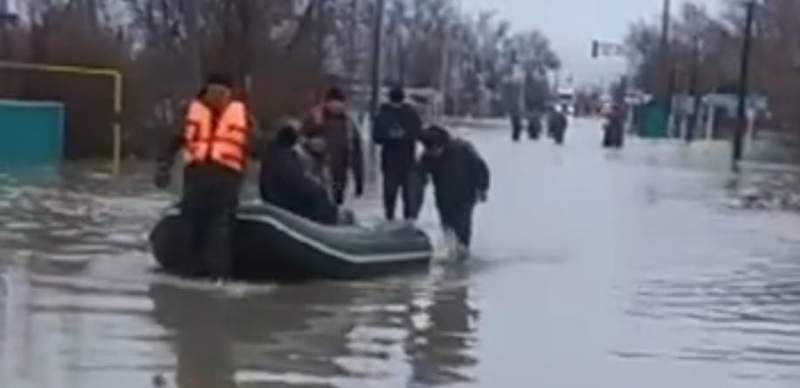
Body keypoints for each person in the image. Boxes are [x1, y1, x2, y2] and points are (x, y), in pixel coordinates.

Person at [154, 73, 251, 280]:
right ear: (206, 91)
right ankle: (189, 272)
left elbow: (257, 143)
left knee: (220, 229)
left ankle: (217, 275)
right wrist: (164, 167)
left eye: (223, 92)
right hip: (198, 176)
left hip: (227, 178)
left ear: (230, 94)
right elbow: (172, 141)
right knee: (192, 225)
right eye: (214, 92)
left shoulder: (243, 114)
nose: (218, 97)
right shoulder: (191, 112)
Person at [417, 125, 490, 255]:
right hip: (443, 197)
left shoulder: (463, 149)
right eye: (429, 151)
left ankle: (463, 252)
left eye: (434, 150)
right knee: (447, 226)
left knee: (462, 226)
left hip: (465, 196)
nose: (433, 153)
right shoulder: (428, 156)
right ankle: (451, 251)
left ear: (440, 145)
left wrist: (482, 188)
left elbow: (481, 168)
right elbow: (420, 176)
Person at [259, 125, 339, 225]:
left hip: (281, 201)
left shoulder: (275, 154)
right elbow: (298, 184)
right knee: (319, 200)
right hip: (289, 206)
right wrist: (318, 191)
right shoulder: (285, 158)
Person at [301, 87, 364, 205]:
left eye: (338, 103)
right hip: (320, 175)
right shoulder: (317, 118)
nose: (336, 107)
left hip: (334, 177)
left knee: (332, 205)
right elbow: (300, 141)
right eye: (334, 103)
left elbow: (357, 155)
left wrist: (359, 182)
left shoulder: (348, 124)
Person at [373, 86, 424, 221]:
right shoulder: (410, 114)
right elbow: (377, 136)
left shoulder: (385, 113)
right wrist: (391, 135)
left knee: (400, 197)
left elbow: (418, 133)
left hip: (399, 161)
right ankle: (399, 221)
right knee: (398, 196)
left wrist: (402, 135)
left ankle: (398, 221)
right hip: (399, 162)